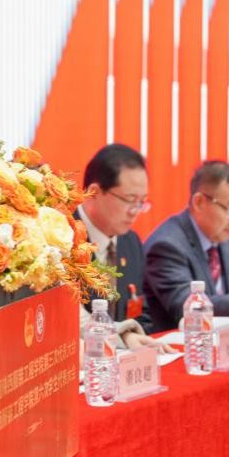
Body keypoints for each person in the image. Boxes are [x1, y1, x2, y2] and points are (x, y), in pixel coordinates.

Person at [142, 160, 229, 332]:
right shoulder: (167, 245)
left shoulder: (223, 239)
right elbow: (189, 307)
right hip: (179, 342)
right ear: (199, 202)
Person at [76, 144, 166, 350]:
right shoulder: (61, 237)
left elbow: (141, 314)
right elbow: (67, 322)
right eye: (129, 200)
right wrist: (122, 340)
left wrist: (136, 338)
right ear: (93, 193)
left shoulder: (131, 242)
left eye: (142, 202)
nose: (135, 211)